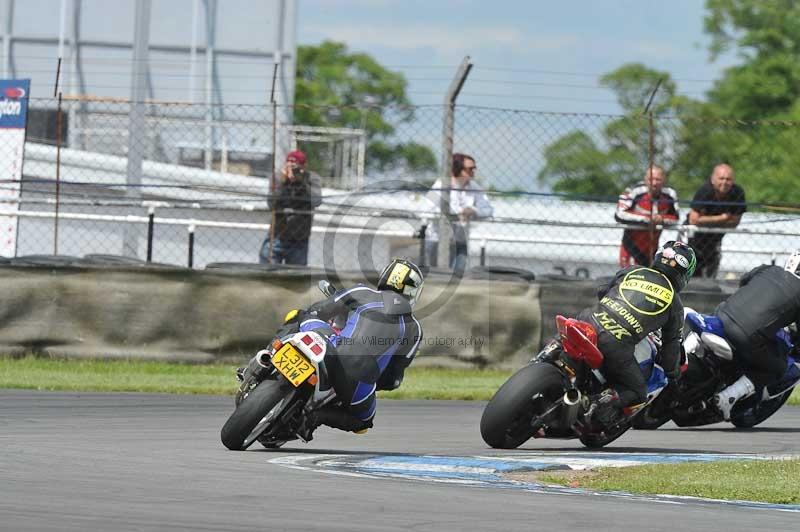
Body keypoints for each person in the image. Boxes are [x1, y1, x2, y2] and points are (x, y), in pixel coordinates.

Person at [291, 258, 424, 440]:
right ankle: (313, 417)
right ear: (413, 292)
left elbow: (320, 310)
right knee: (363, 421)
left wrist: (311, 318)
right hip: (359, 374)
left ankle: (266, 360)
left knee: (301, 315)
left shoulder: (362, 291)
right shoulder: (414, 329)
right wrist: (375, 380)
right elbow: (392, 378)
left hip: (333, 346)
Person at [576, 241, 696, 426]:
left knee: (562, 344)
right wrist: (673, 374)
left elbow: (602, 291)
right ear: (684, 273)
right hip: (615, 343)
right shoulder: (674, 304)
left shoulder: (633, 271)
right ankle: (595, 403)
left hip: (586, 319)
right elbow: (671, 346)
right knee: (638, 392)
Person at [712, 251, 800, 420]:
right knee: (777, 368)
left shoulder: (769, 269)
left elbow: (744, 280)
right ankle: (729, 396)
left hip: (722, 313)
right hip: (745, 336)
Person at [425, 153, 493, 270]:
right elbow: (428, 209)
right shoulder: (441, 184)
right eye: (470, 169)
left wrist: (473, 210)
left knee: (459, 275)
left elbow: (489, 210)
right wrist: (456, 214)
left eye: (474, 168)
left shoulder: (474, 187)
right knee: (436, 274)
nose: (473, 171)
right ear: (457, 168)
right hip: (438, 239)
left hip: (460, 240)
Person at [259, 150, 322, 265]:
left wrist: (301, 182)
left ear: (304, 167)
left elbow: (317, 201)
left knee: (295, 274)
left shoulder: (312, 178)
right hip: (277, 235)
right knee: (267, 270)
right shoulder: (278, 177)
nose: (292, 168)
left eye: (295, 165)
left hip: (299, 238)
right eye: (288, 163)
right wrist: (283, 183)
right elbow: (271, 203)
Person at [686, 163, 747, 278]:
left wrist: (705, 220)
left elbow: (735, 222)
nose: (724, 182)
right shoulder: (704, 191)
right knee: (687, 270)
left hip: (715, 240)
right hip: (692, 238)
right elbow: (693, 220)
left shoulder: (737, 193)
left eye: (728, 179)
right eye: (721, 178)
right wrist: (722, 218)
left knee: (710, 274)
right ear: (713, 179)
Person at [615, 165, 680, 267]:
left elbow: (676, 218)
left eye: (658, 180)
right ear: (645, 179)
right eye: (651, 179)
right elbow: (619, 214)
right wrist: (647, 219)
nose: (654, 183)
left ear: (664, 180)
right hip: (631, 246)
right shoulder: (634, 191)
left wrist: (661, 219)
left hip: (652, 248)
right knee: (629, 274)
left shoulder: (670, 194)